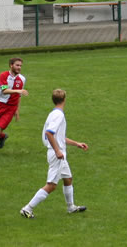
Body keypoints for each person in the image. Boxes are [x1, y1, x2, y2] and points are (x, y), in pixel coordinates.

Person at [20, 89, 88, 218]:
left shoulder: (53, 114)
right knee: (51, 185)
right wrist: (57, 150)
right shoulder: (58, 115)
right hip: (56, 154)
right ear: (64, 100)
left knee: (68, 179)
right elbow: (49, 133)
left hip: (57, 152)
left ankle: (71, 207)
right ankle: (27, 208)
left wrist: (76, 143)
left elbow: (58, 136)